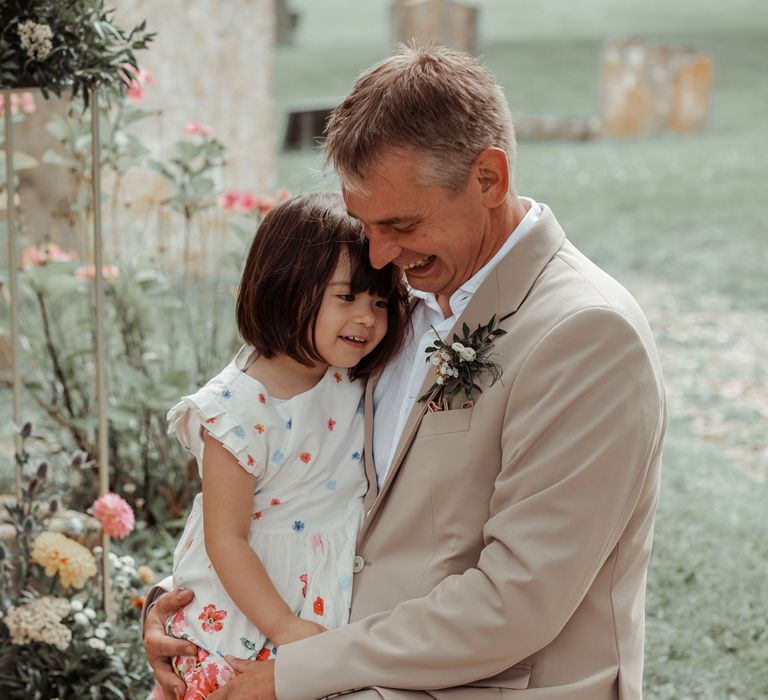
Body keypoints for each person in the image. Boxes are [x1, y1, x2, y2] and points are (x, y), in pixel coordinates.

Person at [144, 46, 666, 700]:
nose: (379, 253)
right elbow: (291, 476)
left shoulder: (587, 337)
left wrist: (293, 674)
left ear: (489, 180)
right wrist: (187, 605)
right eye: (365, 225)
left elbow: (515, 602)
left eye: (400, 224)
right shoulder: (383, 306)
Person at [147, 192, 410, 698]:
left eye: (379, 302)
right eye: (347, 297)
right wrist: (284, 626)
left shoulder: (347, 375)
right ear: (287, 288)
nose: (367, 319)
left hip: (319, 599)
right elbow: (226, 538)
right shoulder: (237, 410)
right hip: (247, 618)